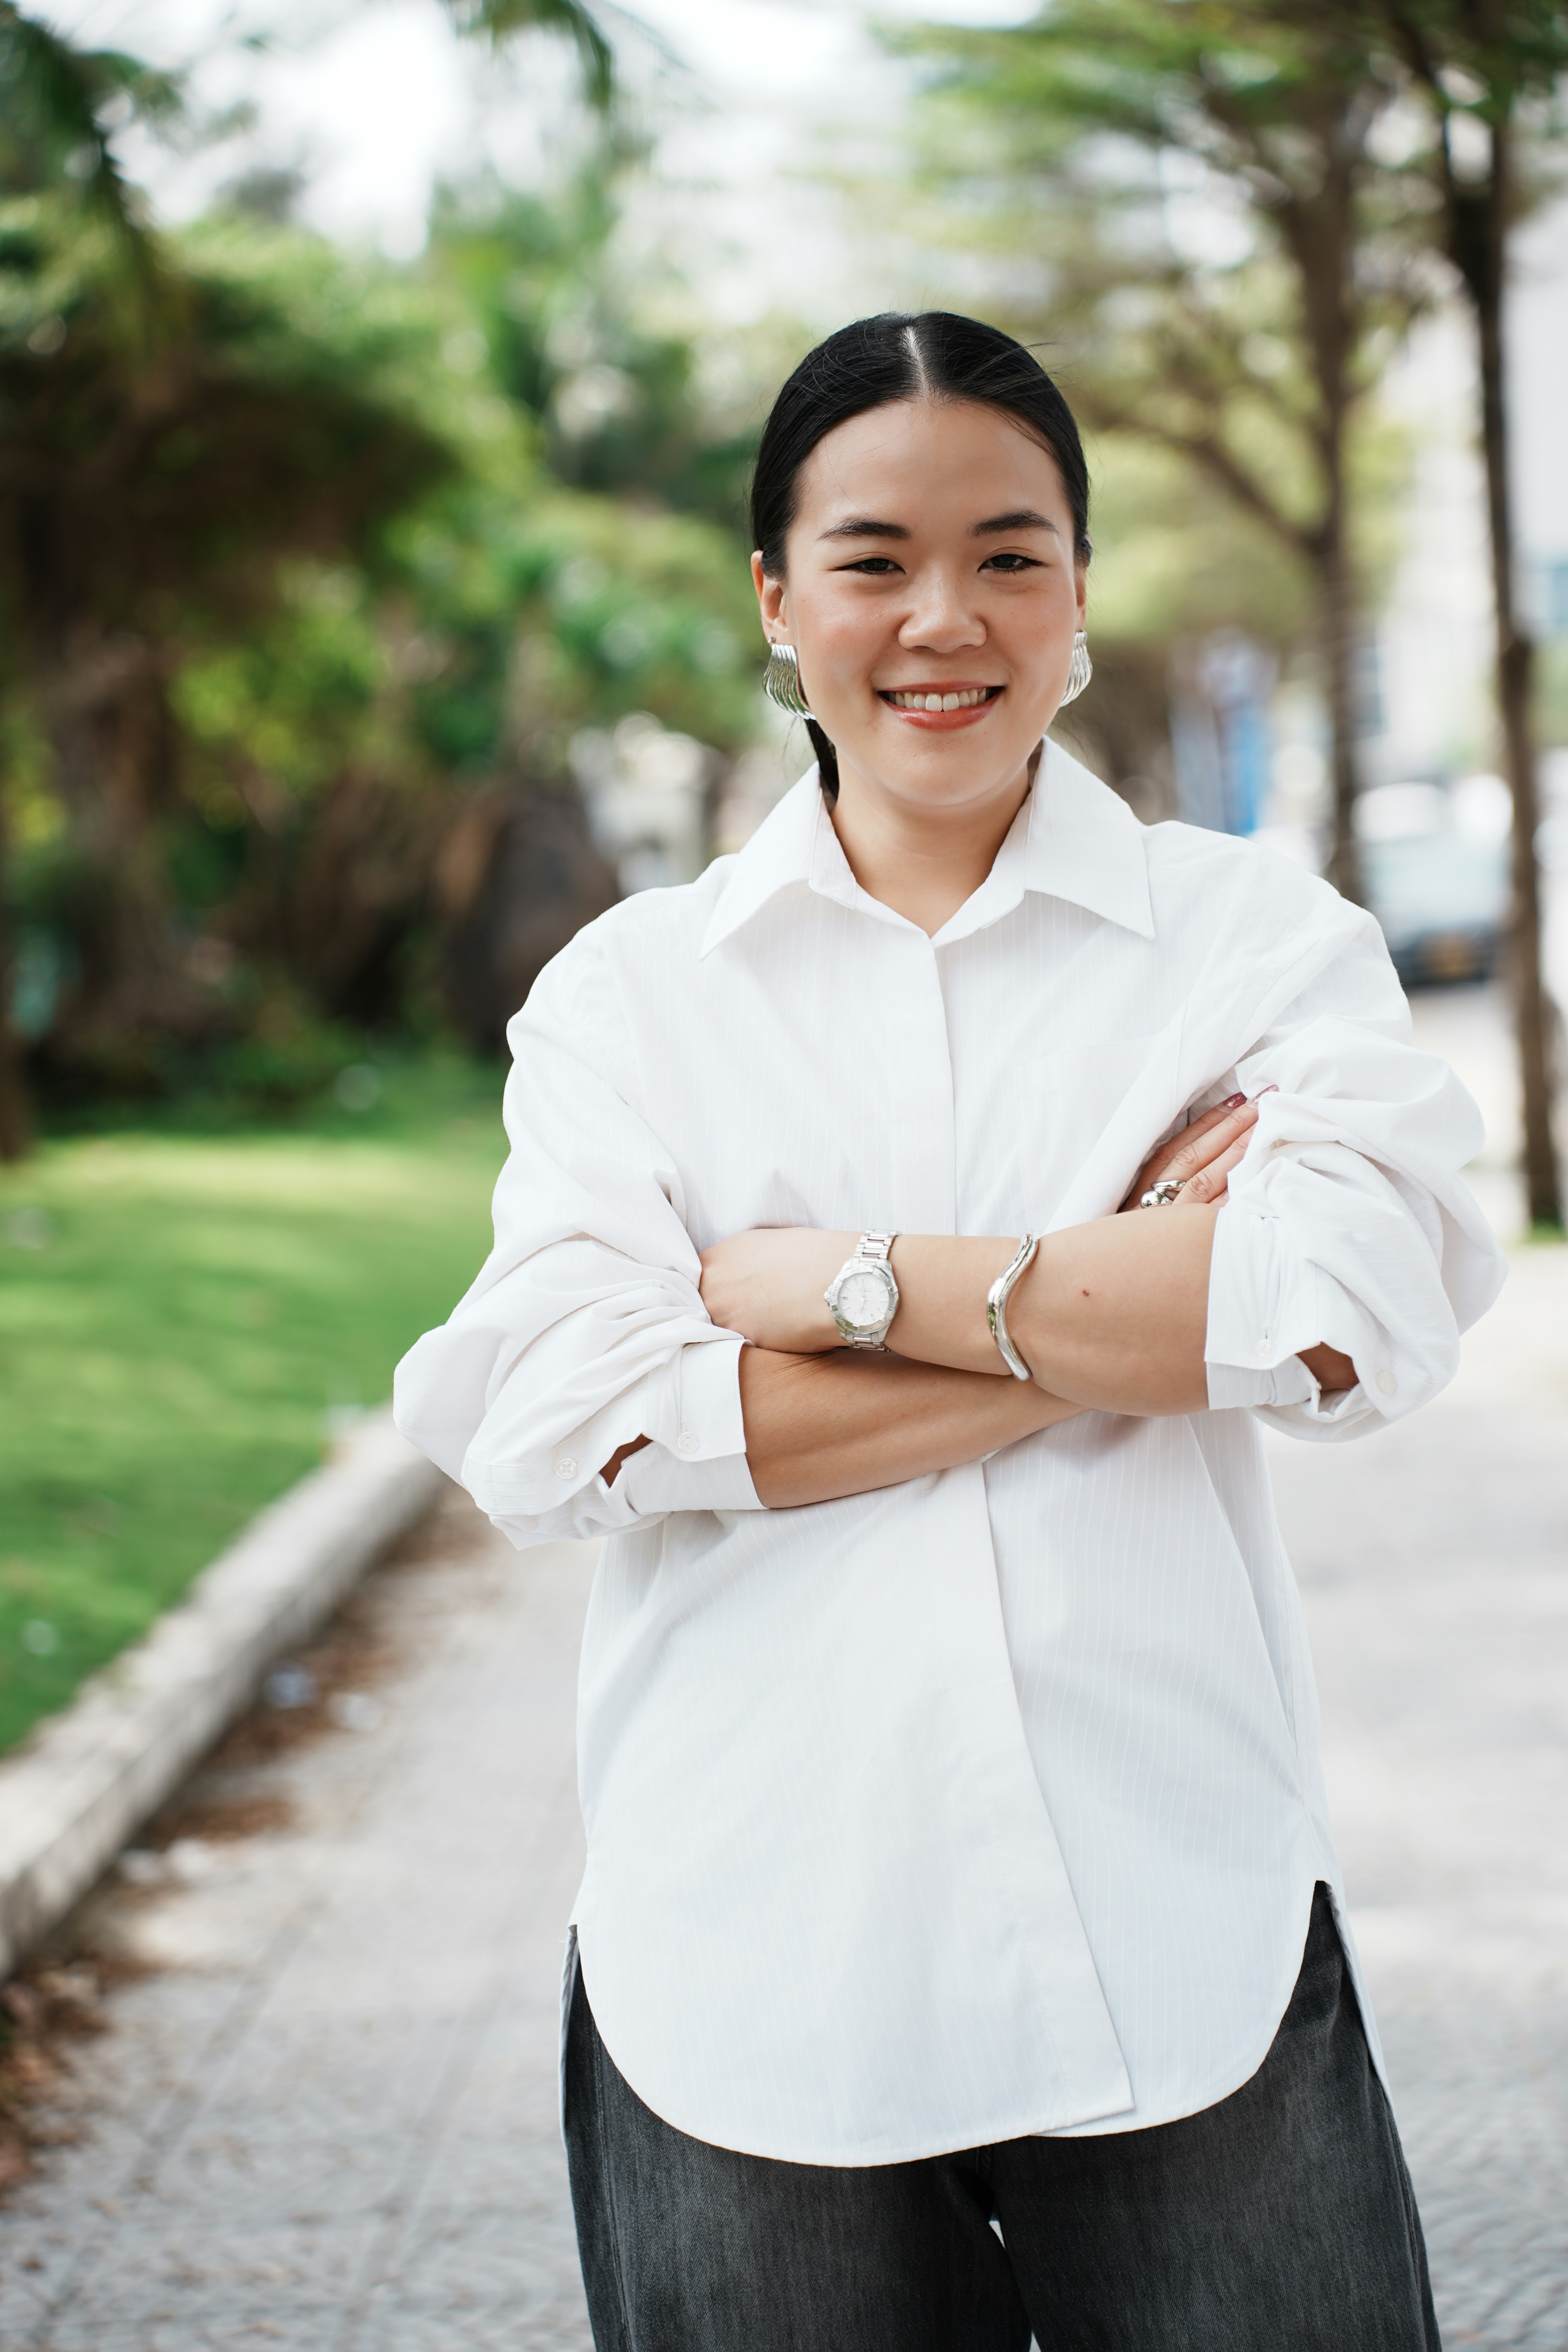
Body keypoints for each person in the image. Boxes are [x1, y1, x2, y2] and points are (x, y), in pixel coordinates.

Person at [394, 311, 1503, 2351]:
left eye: (1011, 553)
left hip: (1182, 1936)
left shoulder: (1254, 941)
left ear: (1080, 594)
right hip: (748, 1970)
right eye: (875, 558)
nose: (945, 620)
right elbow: (558, 1422)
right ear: (775, 599)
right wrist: (1108, 1292)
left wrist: (831, 1291)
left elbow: (1349, 1310)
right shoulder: (633, 1003)